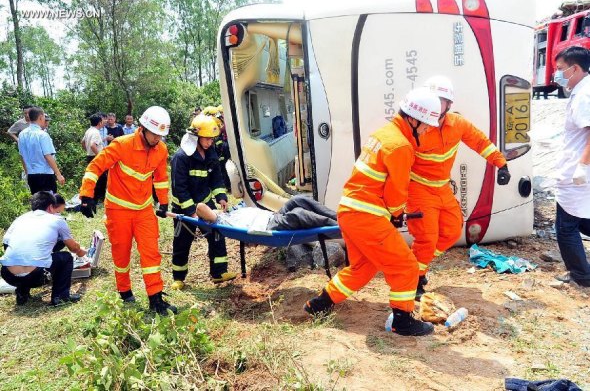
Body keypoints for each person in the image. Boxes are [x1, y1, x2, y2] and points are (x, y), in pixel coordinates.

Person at [303, 88, 442, 336]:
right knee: (406, 265)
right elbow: (397, 192)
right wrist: (397, 213)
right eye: (426, 125)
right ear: (413, 119)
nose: (428, 130)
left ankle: (318, 304)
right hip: (366, 215)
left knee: (362, 268)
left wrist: (391, 213)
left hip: (350, 211)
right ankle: (402, 320)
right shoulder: (400, 146)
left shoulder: (384, 134)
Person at [406, 76, 511, 299]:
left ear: (449, 105)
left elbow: (480, 142)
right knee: (427, 237)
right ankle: (414, 277)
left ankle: (417, 263)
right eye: (431, 99)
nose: (435, 105)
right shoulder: (416, 126)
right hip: (418, 190)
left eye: (440, 101)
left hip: (442, 188)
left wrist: (501, 164)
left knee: (453, 230)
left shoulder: (458, 124)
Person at [78, 106, 177, 315]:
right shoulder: (121, 145)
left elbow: (160, 178)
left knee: (151, 254)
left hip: (144, 211)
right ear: (142, 128)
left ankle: (156, 298)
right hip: (118, 210)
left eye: (161, 135)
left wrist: (164, 202)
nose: (158, 139)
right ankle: (124, 291)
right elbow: (95, 167)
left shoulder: (161, 150)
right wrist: (87, 195)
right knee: (121, 255)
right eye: (155, 134)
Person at [170, 114, 234, 289]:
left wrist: (221, 196)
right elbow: (180, 189)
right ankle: (179, 277)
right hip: (183, 208)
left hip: (206, 203)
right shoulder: (181, 157)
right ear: (196, 137)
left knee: (216, 235)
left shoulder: (210, 152)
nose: (210, 142)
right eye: (207, 139)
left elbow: (216, 177)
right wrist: (191, 211)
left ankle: (219, 273)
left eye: (212, 139)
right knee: (182, 242)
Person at [0, 192, 85, 306]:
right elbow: (73, 247)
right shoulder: (57, 220)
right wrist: (80, 252)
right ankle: (60, 297)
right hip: (36, 276)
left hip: (8, 275)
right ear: (50, 206)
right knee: (66, 257)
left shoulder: (20, 219)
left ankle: (22, 293)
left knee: (25, 253)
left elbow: (6, 244)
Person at [552, 46, 590, 287]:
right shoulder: (582, 90)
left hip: (578, 173)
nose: (556, 75)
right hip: (578, 168)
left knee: (565, 227)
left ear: (574, 68)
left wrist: (582, 166)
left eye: (559, 69)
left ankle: (582, 276)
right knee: (582, 219)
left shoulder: (584, 95)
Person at [195, 195, 337, 231]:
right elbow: (200, 207)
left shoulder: (231, 213)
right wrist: (216, 212)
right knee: (298, 214)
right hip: (267, 227)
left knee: (297, 199)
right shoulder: (221, 221)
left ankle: (339, 217)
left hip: (271, 216)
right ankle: (338, 226)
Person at [18, 106, 65, 194]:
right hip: (45, 175)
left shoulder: (22, 134)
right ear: (40, 117)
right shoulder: (42, 135)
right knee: (48, 203)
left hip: (32, 175)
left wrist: (27, 173)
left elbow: (22, 156)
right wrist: (58, 174)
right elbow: (48, 156)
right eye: (44, 117)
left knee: (37, 202)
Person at [203, 106, 232, 190]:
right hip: (218, 146)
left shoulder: (218, 121)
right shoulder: (215, 121)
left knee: (221, 165)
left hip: (219, 147)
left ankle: (225, 185)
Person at [81, 114, 107, 203]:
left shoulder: (89, 131)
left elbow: (83, 142)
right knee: (101, 179)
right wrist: (100, 156)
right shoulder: (96, 132)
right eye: (103, 120)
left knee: (93, 178)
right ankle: (98, 199)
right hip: (95, 157)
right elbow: (93, 145)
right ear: (99, 122)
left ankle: (95, 198)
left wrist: (87, 150)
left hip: (90, 156)